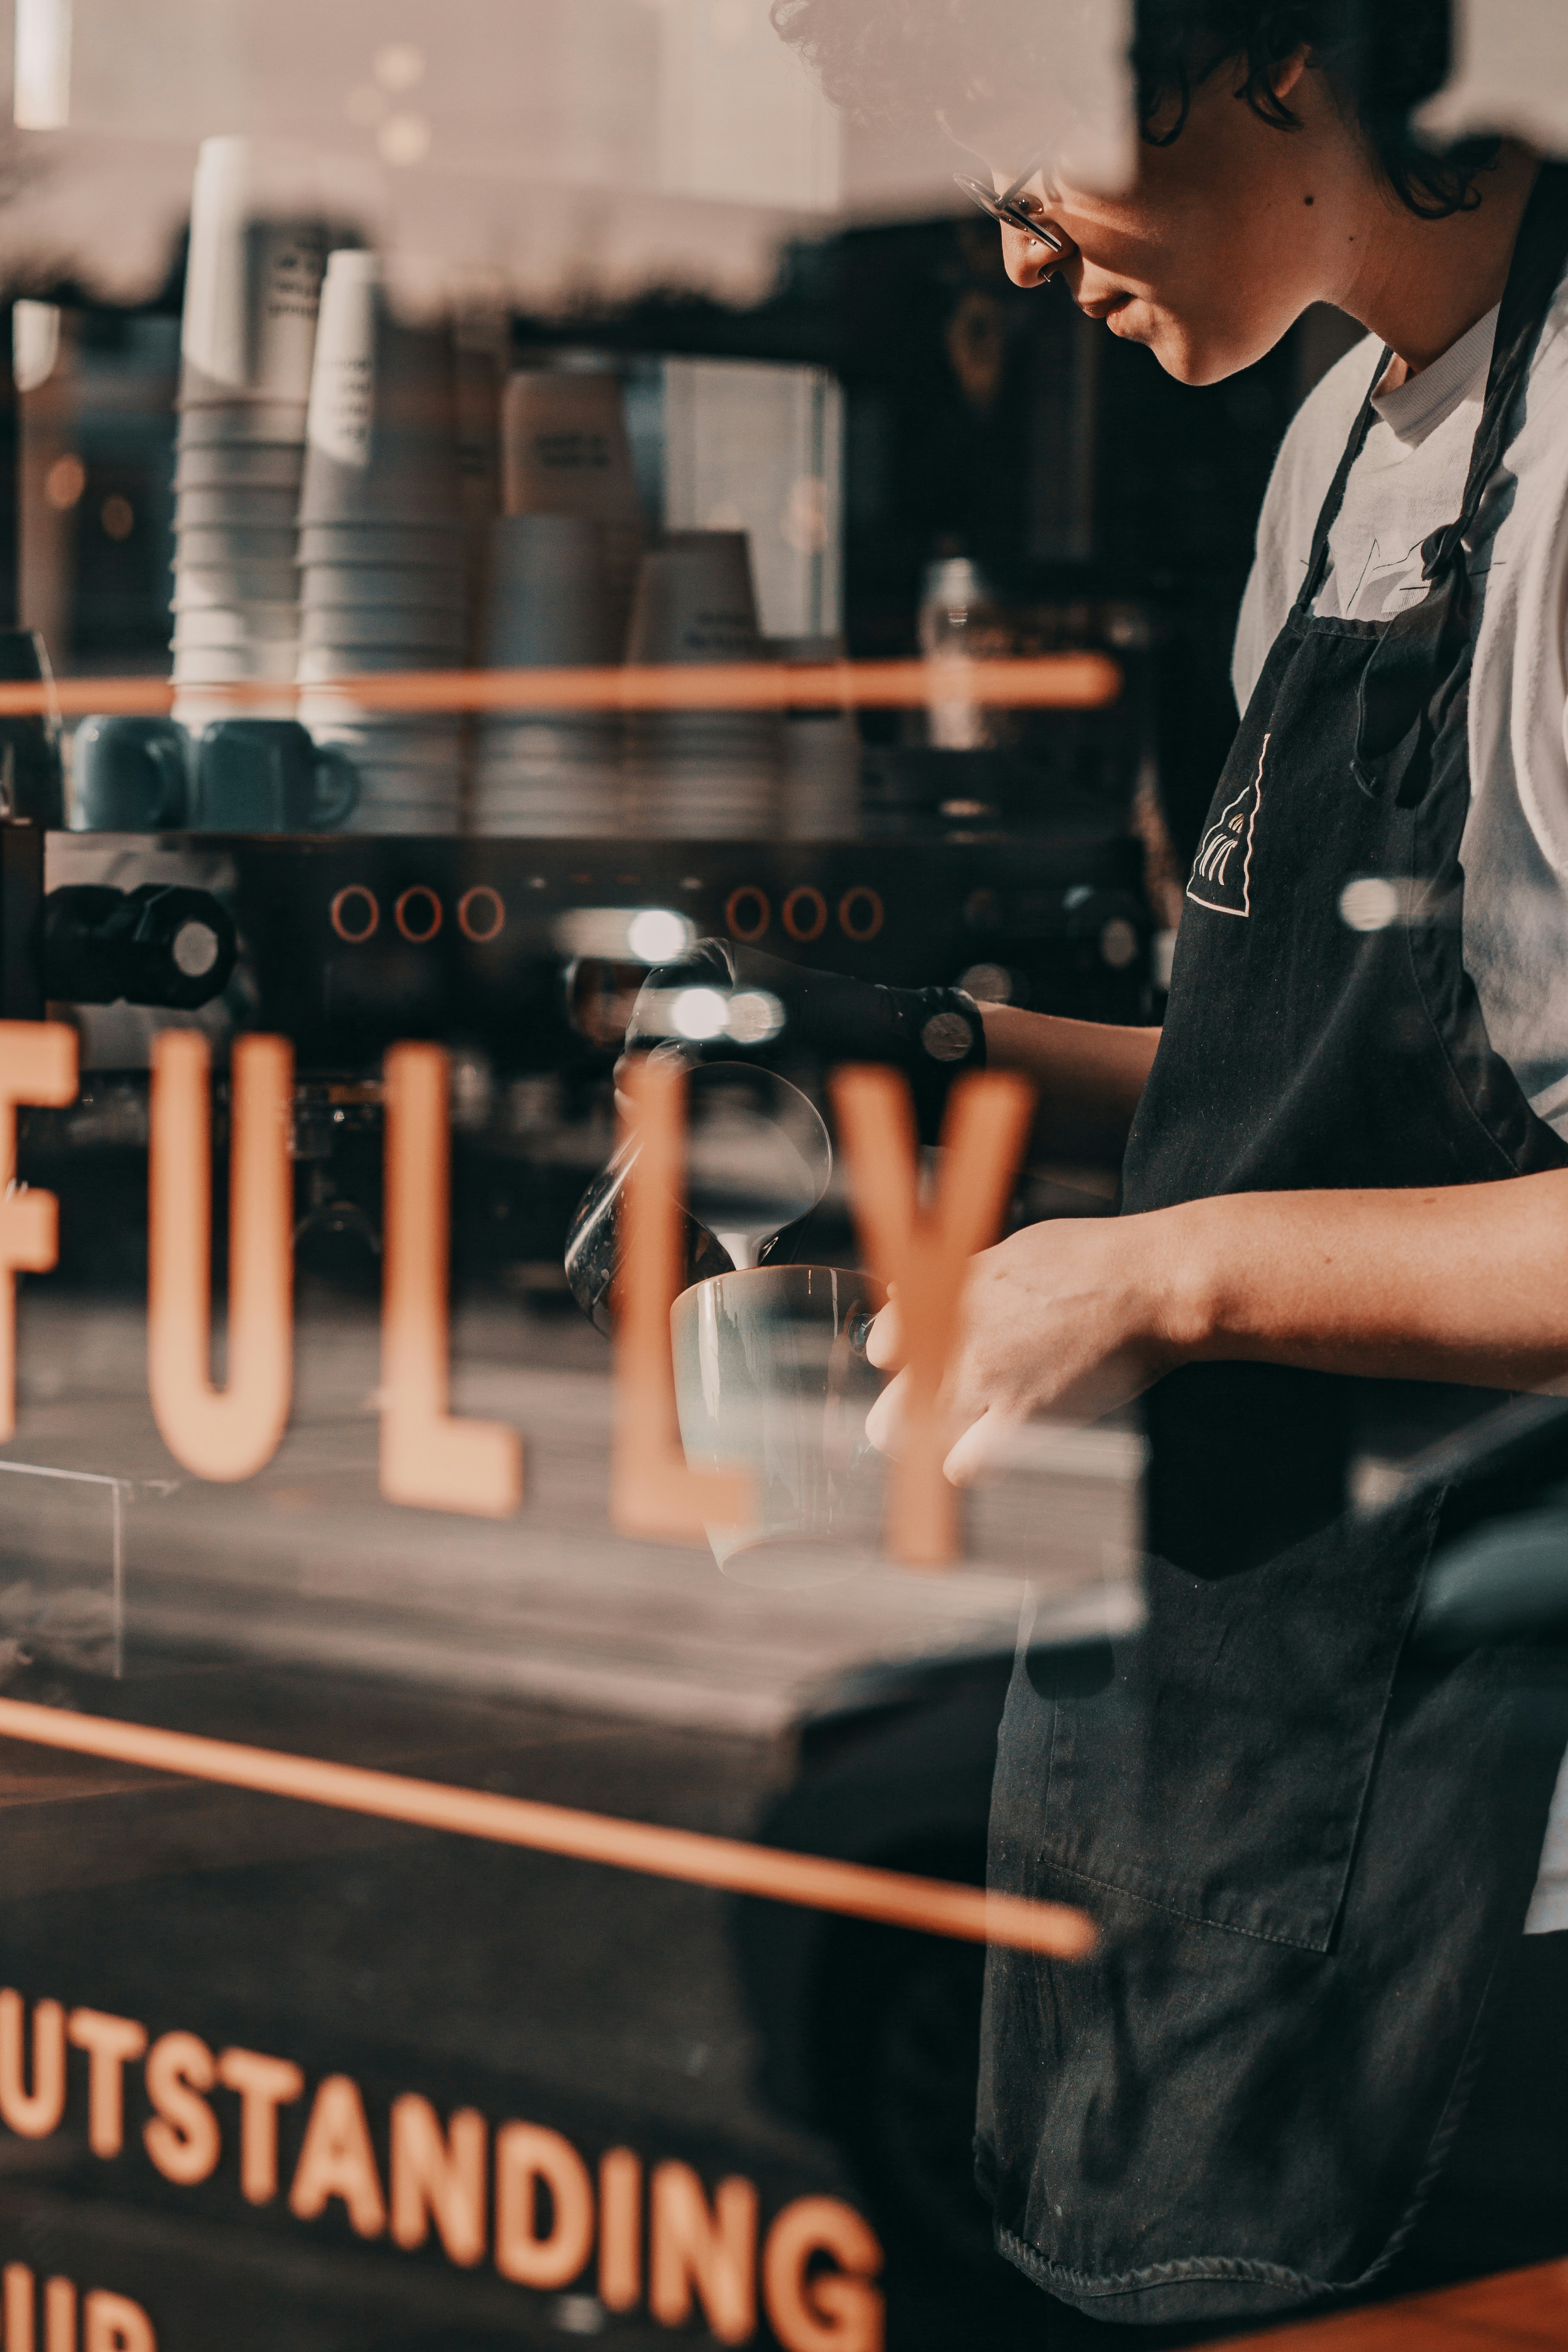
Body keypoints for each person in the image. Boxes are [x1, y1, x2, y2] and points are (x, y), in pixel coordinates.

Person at [622, 0, 1568, 2335]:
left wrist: (1145, 1284)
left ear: (1272, 58)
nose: (1015, 253)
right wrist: (911, 1055)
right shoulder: (1344, 451)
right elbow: (1321, 1087)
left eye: (1018, 147)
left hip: (1513, 1824)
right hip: (1262, 1710)